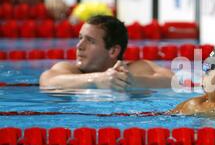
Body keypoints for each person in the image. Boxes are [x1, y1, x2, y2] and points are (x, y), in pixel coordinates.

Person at [39, 15, 173, 90]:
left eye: (90, 41)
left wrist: (133, 83)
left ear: (113, 51)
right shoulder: (70, 70)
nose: (79, 46)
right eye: (80, 38)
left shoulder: (135, 69)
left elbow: (176, 82)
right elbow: (47, 80)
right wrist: (97, 80)